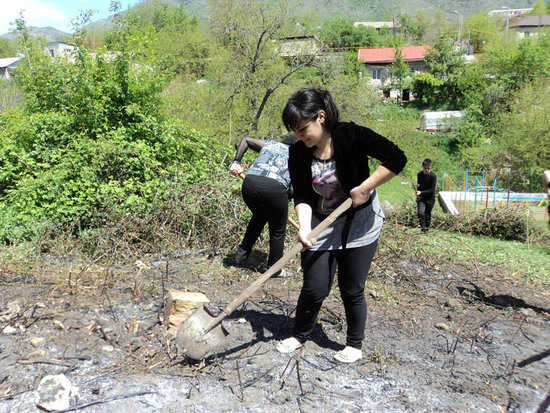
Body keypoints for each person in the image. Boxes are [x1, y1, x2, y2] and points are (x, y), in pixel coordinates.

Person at [276, 88, 407, 363]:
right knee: (315, 286)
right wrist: (303, 227)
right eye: (295, 132)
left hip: (358, 222)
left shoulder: (351, 135)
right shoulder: (298, 152)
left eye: (302, 129)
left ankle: (354, 344)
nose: (299, 137)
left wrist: (366, 187)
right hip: (320, 223)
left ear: (320, 117)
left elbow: (396, 158)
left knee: (351, 287)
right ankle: (300, 335)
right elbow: (301, 193)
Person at [229, 136, 296, 278]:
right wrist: (283, 200)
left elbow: (245, 140)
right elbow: (292, 190)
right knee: (278, 230)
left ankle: (240, 257)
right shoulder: (298, 154)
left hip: (249, 184)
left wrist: (236, 162)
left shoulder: (271, 144)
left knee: (259, 218)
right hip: (274, 189)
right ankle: (274, 269)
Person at [416, 159, 437, 233]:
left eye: (429, 168)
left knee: (427, 214)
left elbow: (432, 190)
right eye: (425, 168)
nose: (427, 170)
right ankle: (423, 229)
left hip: (430, 198)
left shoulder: (433, 176)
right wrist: (418, 193)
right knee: (421, 213)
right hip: (422, 198)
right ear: (422, 167)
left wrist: (421, 192)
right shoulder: (419, 175)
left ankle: (427, 229)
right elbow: (419, 186)